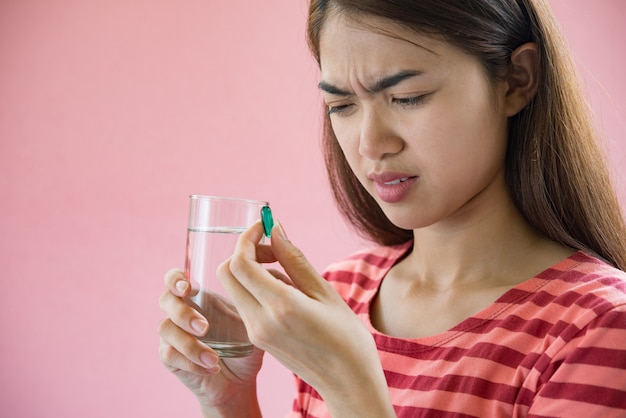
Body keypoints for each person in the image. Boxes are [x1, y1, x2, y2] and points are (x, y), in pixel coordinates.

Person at [158, 0, 626, 416]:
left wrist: (351, 387)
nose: (370, 144)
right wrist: (228, 401)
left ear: (516, 81)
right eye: (341, 105)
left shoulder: (600, 329)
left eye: (407, 98)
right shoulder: (341, 293)